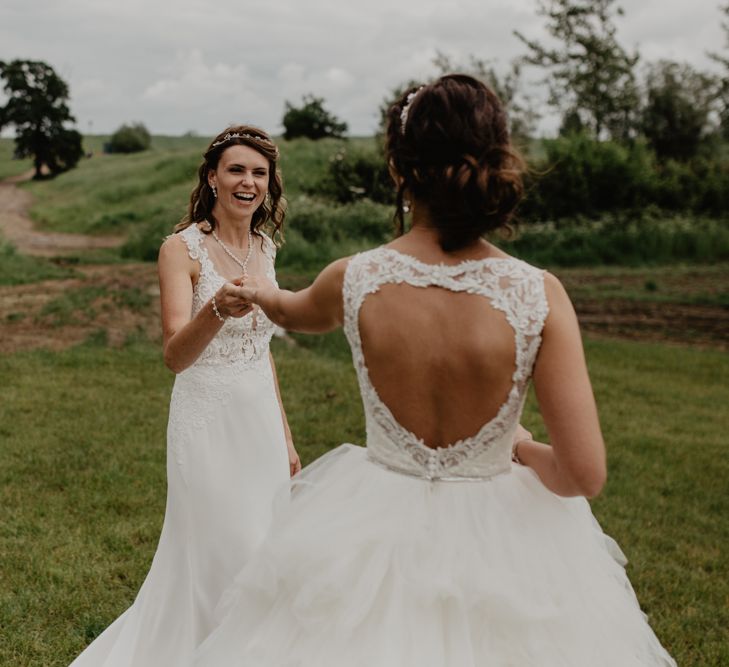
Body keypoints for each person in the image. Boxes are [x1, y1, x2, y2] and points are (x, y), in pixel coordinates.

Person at [194, 76, 676, 666]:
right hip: (506, 542)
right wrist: (519, 447)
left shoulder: (356, 278)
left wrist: (256, 292)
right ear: (498, 161)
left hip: (371, 526)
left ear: (400, 170)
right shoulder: (537, 293)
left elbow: (290, 308)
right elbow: (582, 475)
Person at [70, 125, 301, 666]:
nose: (248, 182)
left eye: (259, 173)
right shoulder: (182, 249)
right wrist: (217, 308)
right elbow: (175, 355)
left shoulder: (265, 248)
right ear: (212, 178)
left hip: (259, 425)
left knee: (264, 549)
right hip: (206, 422)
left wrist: (286, 436)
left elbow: (263, 351)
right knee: (224, 549)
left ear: (269, 185)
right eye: (236, 170)